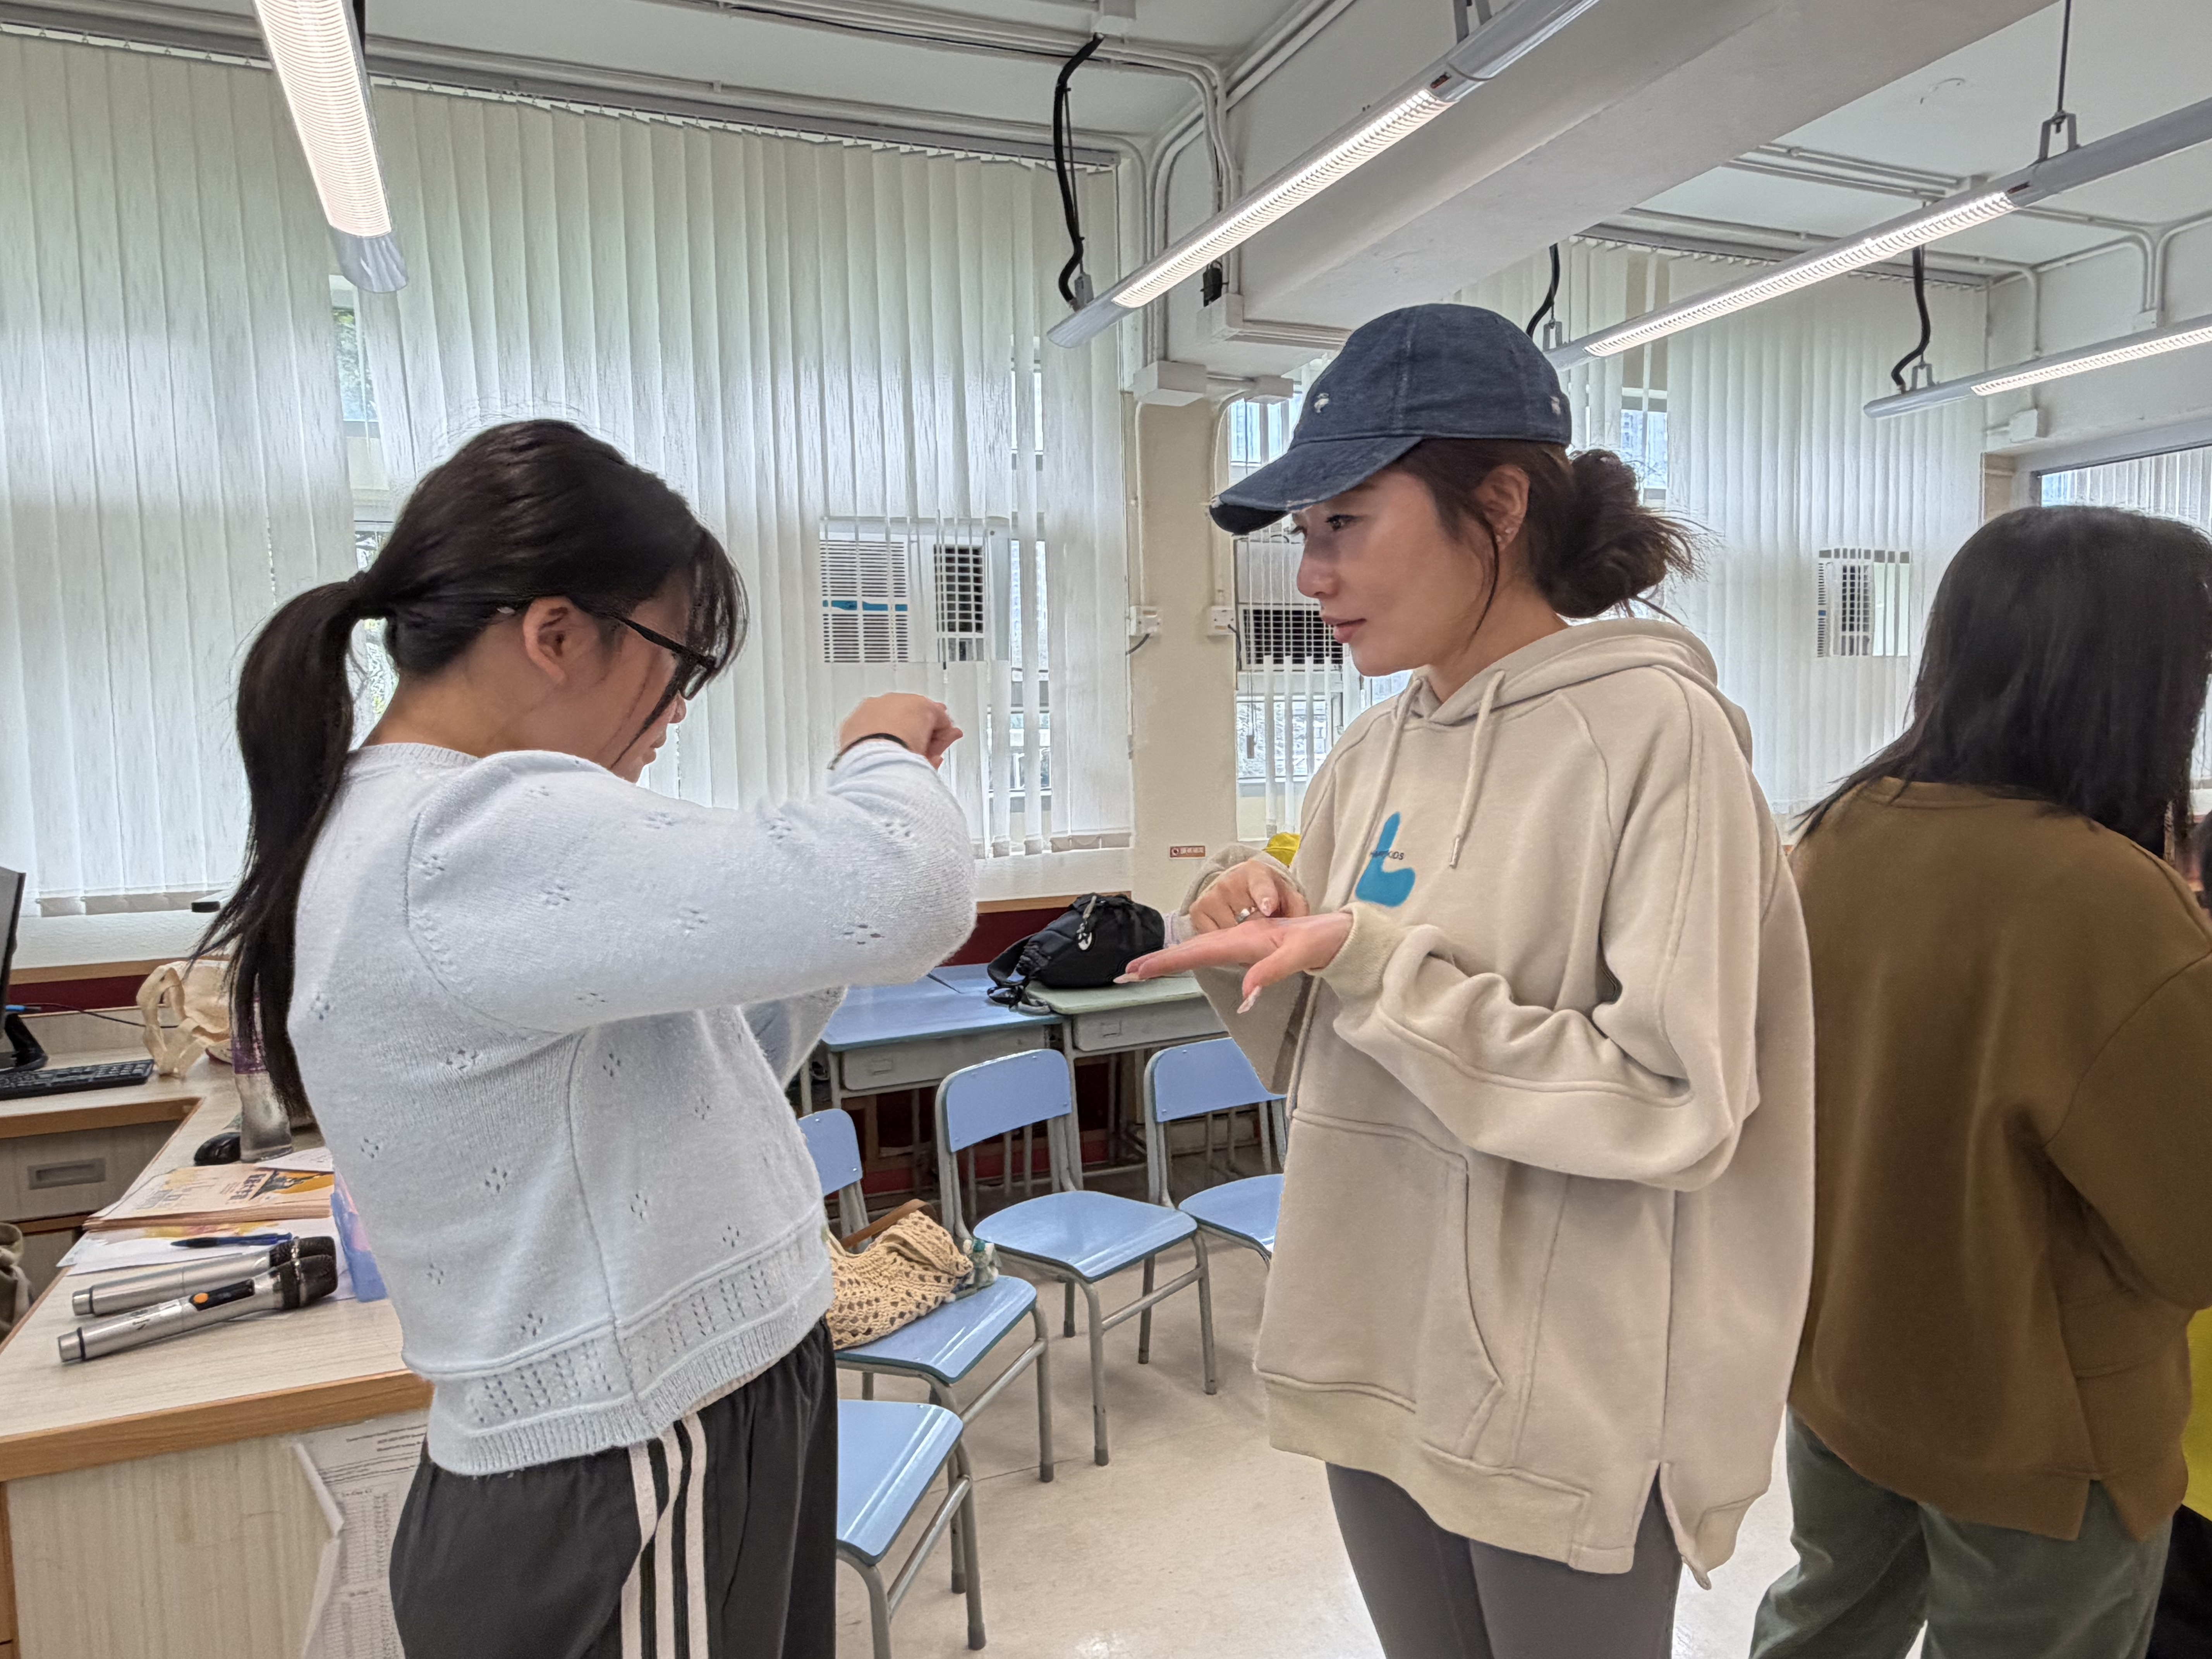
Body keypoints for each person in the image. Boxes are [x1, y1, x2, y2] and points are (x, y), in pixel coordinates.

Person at [203, 420, 976, 1659]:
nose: (675, 710)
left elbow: (694, 1075)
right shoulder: (467, 830)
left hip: (679, 1416)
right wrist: (877, 749)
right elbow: (907, 890)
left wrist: (799, 937)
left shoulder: (428, 826)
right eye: (676, 660)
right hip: (637, 1452)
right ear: (555, 634)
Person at [1125, 303, 1817, 1657]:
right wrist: (1264, 944)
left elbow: (1676, 1102)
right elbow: (1331, 1055)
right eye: (1305, 532)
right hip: (1374, 1341)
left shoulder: (1658, 737)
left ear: (1498, 504)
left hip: (1560, 1395)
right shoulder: (1371, 752)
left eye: (1346, 522)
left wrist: (1371, 959)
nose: (1311, 573)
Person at [1749, 505, 2212, 1659]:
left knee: (1824, 1622)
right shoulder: (2110, 901)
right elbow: (2194, 1235)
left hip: (1847, 1368)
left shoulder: (1838, 834)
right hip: (2039, 1422)